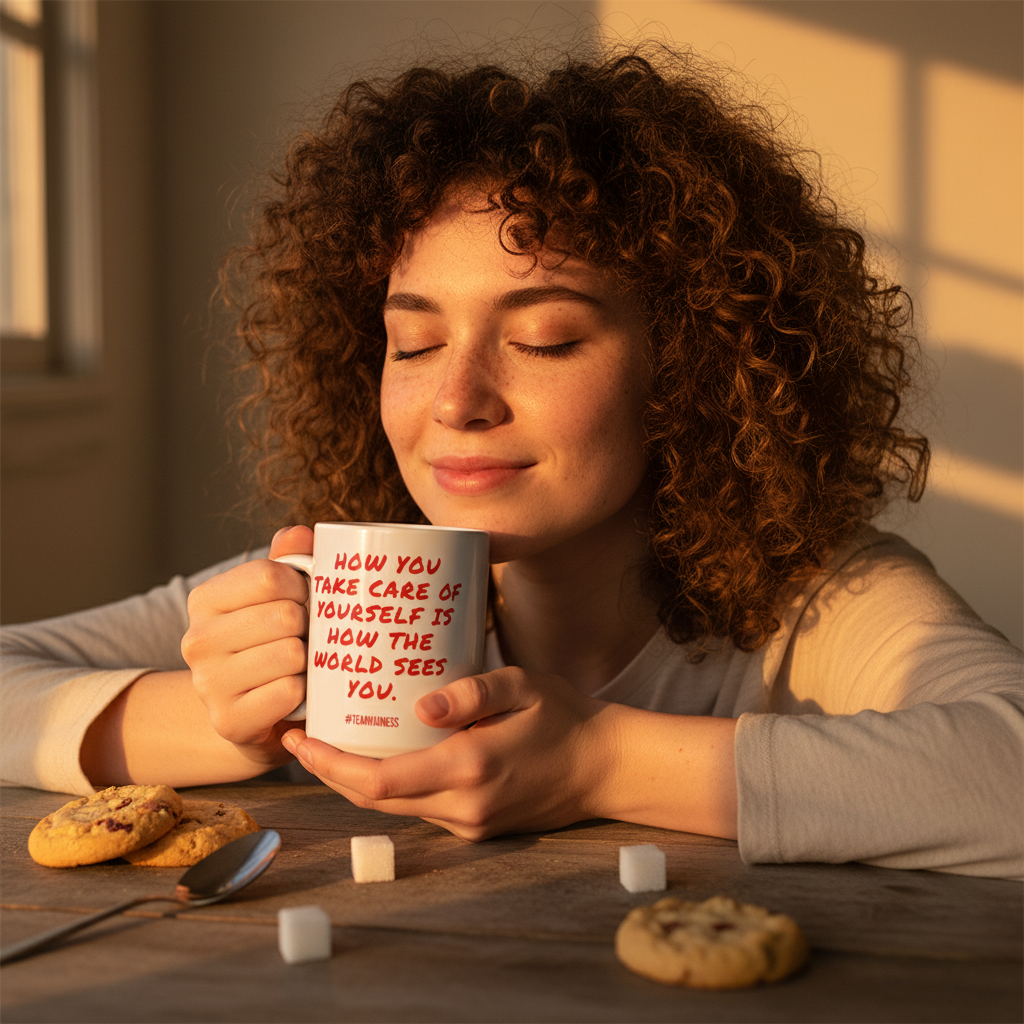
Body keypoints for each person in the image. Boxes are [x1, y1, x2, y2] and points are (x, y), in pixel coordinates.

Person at [2, 48, 1021, 878]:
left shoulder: (818, 603)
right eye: (412, 343)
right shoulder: (350, 593)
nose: (456, 400)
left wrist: (595, 761)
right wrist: (244, 723)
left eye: (543, 339)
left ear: (694, 365)